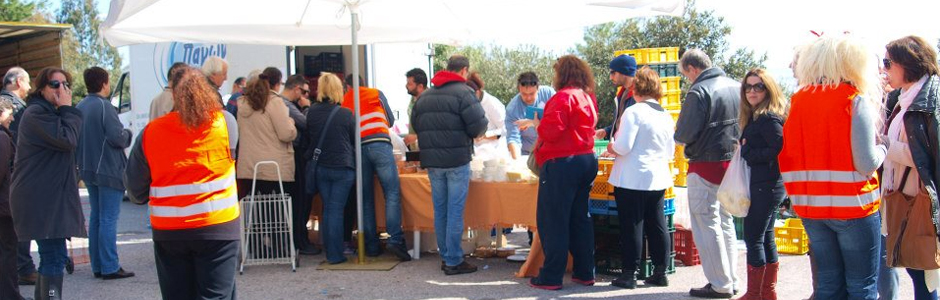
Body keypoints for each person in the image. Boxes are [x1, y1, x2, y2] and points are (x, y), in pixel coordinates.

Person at [779, 35, 886, 300]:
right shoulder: (853, 100)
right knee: (861, 288)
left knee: (827, 286)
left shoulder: (798, 100)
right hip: (854, 208)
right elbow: (865, 163)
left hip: (811, 208)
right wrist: (885, 149)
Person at [125, 67, 240, 300]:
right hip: (217, 227)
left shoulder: (151, 132)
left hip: (170, 231)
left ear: (174, 96)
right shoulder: (225, 123)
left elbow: (135, 192)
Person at [517, 55, 598, 290]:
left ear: (562, 75)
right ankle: (585, 271)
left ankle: (551, 275)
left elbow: (551, 132)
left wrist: (537, 124)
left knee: (554, 221)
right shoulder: (586, 97)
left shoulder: (562, 98)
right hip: (585, 159)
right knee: (579, 218)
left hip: (562, 162)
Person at [9, 67, 84, 300]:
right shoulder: (37, 114)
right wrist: (68, 109)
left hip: (45, 197)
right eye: (55, 84)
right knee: (53, 257)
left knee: (52, 256)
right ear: (41, 88)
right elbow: (68, 139)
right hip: (41, 200)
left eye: (65, 84)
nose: (61, 89)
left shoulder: (48, 113)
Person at [674, 49, 742, 298]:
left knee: (706, 222)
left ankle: (719, 283)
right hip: (732, 163)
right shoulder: (737, 86)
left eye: (686, 74)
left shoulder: (699, 91)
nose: (687, 79)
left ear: (692, 69)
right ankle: (730, 279)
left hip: (705, 163)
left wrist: (681, 139)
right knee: (725, 222)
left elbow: (683, 134)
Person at [411, 54, 487, 275]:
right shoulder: (465, 93)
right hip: (456, 161)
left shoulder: (424, 97)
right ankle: (453, 260)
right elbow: (478, 127)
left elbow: (416, 125)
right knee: (454, 211)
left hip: (433, 162)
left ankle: (446, 256)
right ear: (464, 71)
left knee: (440, 211)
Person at [882, 35, 940, 300]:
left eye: (888, 62)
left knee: (925, 274)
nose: (884, 69)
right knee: (920, 273)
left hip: (920, 203)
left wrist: (884, 145)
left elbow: (926, 157)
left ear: (908, 63)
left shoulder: (929, 101)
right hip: (905, 200)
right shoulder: (905, 97)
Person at [606, 66, 674, 289]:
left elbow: (624, 147)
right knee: (657, 224)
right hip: (658, 176)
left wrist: (612, 146)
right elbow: (670, 151)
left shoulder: (633, 112)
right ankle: (660, 270)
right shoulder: (665, 114)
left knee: (632, 225)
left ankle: (629, 273)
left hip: (632, 177)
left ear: (637, 88)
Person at [75, 67, 136, 280]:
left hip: (89, 169)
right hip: (108, 170)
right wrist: (128, 133)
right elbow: (117, 137)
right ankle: (110, 266)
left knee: (97, 218)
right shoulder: (105, 107)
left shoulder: (80, 106)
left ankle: (99, 265)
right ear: (104, 83)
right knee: (109, 218)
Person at [341, 74, 411, 261]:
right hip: (380, 143)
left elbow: (346, 126)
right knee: (392, 193)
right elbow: (390, 121)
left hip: (359, 148)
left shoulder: (346, 99)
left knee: (365, 198)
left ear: (347, 86)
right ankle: (395, 240)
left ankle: (371, 246)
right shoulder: (376, 93)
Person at [734, 68, 787, 300]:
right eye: (748, 86)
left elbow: (778, 150)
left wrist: (747, 151)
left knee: (754, 237)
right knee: (765, 237)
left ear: (768, 89)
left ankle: (757, 293)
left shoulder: (768, 117)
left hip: (765, 185)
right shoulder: (758, 115)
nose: (752, 91)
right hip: (765, 184)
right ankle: (765, 293)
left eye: (758, 86)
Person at [236, 67, 297, 256]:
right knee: (277, 210)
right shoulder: (275, 103)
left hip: (249, 166)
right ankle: (280, 249)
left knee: (255, 210)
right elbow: (286, 134)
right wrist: (293, 125)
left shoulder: (242, 104)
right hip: (274, 166)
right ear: (276, 84)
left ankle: (255, 247)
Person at [304, 73, 356, 264]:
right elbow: (353, 140)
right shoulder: (345, 113)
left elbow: (309, 137)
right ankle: (335, 254)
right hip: (342, 166)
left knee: (328, 209)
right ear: (338, 90)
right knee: (336, 210)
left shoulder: (312, 112)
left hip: (321, 166)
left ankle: (331, 251)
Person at [0, 67, 37, 286]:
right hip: (14, 183)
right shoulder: (10, 106)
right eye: (28, 81)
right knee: (14, 231)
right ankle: (23, 267)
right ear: (17, 82)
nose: (30, 87)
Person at [281, 74, 319, 255]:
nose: (305, 96)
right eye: (304, 92)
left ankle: (300, 239)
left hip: (296, 156)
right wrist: (307, 109)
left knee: (302, 199)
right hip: (296, 157)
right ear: (296, 89)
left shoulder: (284, 104)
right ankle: (300, 240)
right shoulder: (286, 105)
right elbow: (306, 124)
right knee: (300, 200)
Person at [0, 99, 25, 299]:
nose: (12, 118)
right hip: (4, 207)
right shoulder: (2, 137)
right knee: (8, 254)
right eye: (9, 113)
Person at [504, 72, 556, 160]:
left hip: (551, 150)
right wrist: (517, 161)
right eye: (524, 94)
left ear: (538, 89)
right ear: (518, 90)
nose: (528, 98)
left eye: (532, 94)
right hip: (527, 154)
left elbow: (557, 120)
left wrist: (531, 122)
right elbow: (513, 138)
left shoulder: (549, 94)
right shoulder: (512, 109)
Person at [595, 54, 638, 145]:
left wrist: (616, 149)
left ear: (624, 72)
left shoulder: (640, 96)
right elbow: (621, 124)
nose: (611, 77)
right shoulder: (622, 94)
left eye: (613, 73)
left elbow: (635, 129)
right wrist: (606, 131)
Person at [466, 72, 508, 161]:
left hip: (494, 153)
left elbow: (505, 129)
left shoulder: (493, 103)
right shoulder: (468, 104)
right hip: (475, 153)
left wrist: (485, 135)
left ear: (477, 92)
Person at [404, 68, 428, 149]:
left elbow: (436, 131)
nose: (406, 86)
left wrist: (416, 137)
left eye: (409, 84)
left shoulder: (430, 101)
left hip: (426, 149)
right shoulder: (413, 98)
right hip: (415, 148)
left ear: (420, 86)